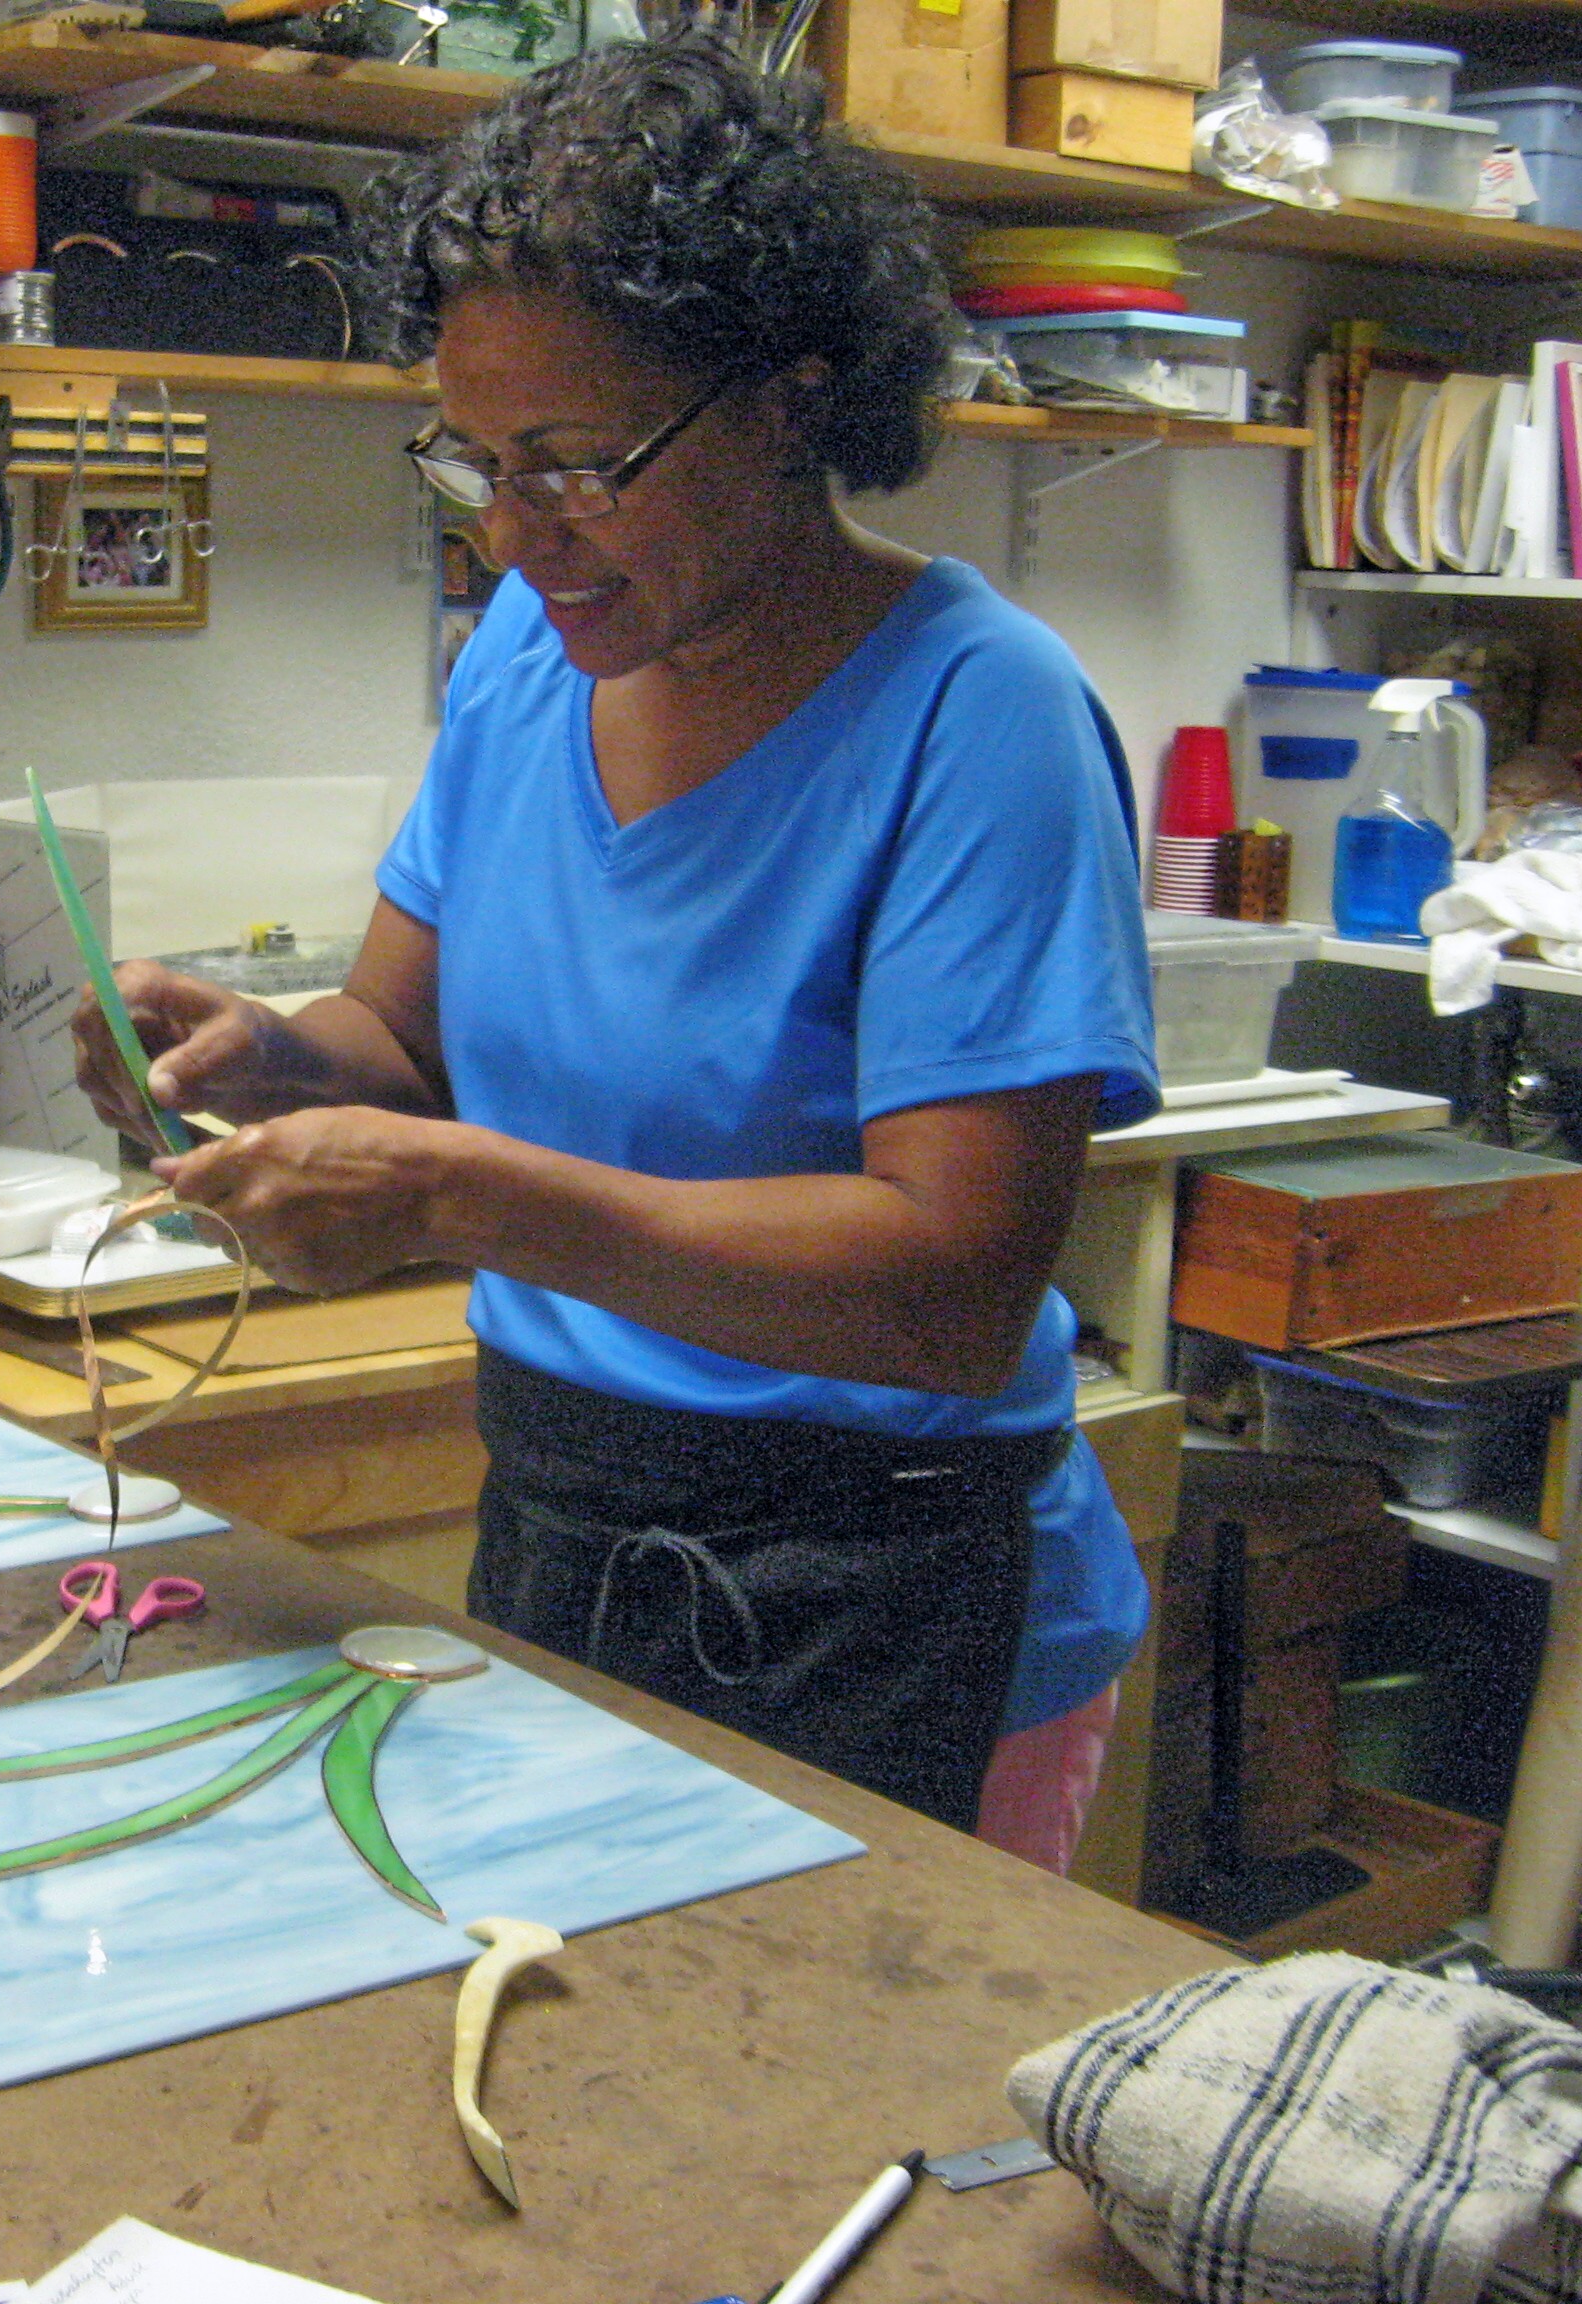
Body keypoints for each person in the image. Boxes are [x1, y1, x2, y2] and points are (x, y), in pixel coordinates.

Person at [76, 36, 1158, 1846]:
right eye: (479, 462)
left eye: (580, 465)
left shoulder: (981, 715)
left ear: (791, 400)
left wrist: (453, 1198)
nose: (516, 533)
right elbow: (407, 1048)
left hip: (885, 1583)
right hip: (570, 1522)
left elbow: (954, 1294)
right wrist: (255, 1060)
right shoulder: (530, 653)